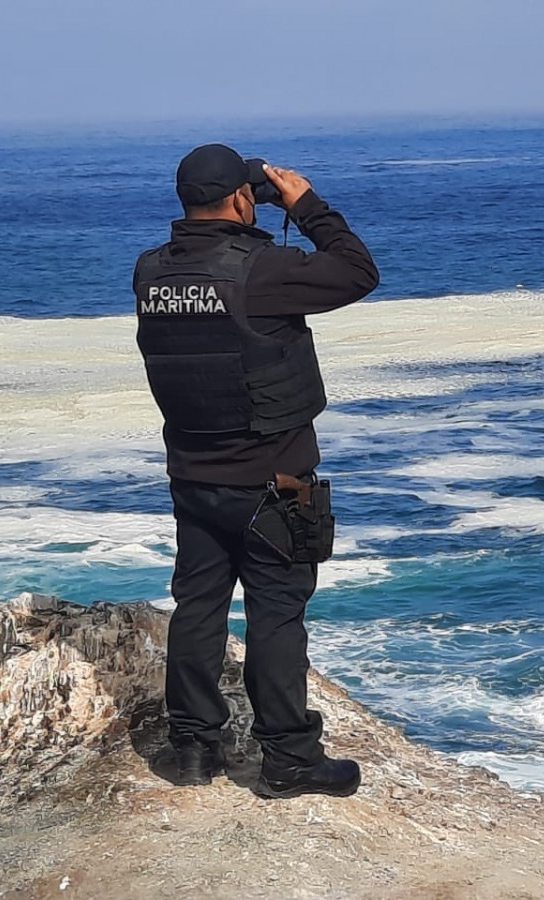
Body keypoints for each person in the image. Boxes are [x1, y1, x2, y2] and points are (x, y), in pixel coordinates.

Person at [133, 143, 378, 798]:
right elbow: (357, 272)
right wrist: (305, 204)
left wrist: (254, 210)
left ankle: (192, 747)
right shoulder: (263, 271)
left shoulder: (150, 272)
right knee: (275, 614)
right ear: (242, 199)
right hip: (273, 482)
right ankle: (289, 759)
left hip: (193, 479)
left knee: (199, 607)